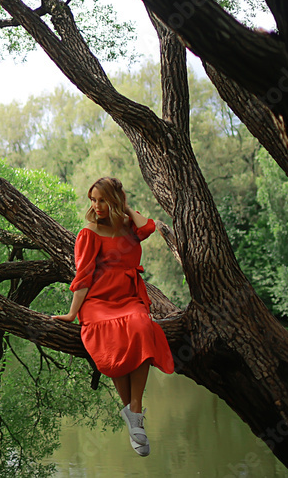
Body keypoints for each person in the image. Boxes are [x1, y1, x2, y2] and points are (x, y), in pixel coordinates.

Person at [53, 177, 174, 457]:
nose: (96, 206)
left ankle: (134, 410)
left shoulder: (130, 228)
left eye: (103, 200)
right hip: (97, 301)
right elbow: (83, 277)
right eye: (93, 200)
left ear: (116, 200)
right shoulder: (89, 233)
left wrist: (126, 208)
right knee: (111, 339)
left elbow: (148, 227)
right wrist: (73, 313)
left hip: (128, 298)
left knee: (142, 326)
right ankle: (135, 421)